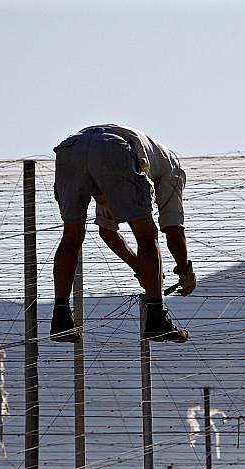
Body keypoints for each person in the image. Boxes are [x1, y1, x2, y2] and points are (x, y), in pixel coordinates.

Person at [50, 124, 196, 343]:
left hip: (72, 148)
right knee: (147, 235)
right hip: (113, 148)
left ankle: (60, 318)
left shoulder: (139, 160)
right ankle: (156, 317)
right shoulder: (172, 170)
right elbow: (173, 230)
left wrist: (140, 268)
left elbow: (108, 233)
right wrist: (185, 270)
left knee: (71, 235)